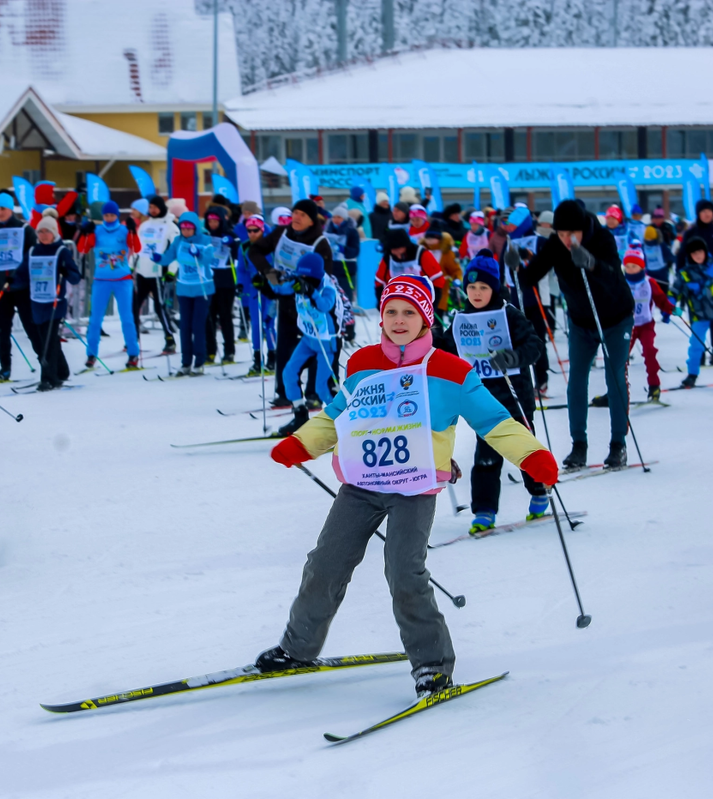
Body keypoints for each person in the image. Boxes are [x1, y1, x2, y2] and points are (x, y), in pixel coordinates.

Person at [260, 275, 559, 696]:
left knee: (404, 571)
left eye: (409, 312)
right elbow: (335, 415)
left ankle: (433, 666)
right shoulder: (362, 364)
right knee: (325, 563)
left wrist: (532, 457)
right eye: (391, 312)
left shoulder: (451, 371)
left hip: (414, 486)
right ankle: (297, 648)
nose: (399, 320)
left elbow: (495, 422)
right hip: (362, 485)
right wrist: (301, 443)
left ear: (426, 319)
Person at [520, 199, 634, 471]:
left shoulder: (603, 238)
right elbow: (531, 277)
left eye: (571, 234)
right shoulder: (556, 244)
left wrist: (592, 263)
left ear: (583, 229)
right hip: (581, 322)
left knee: (615, 376)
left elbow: (613, 278)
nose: (566, 240)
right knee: (576, 381)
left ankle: (618, 444)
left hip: (616, 318)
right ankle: (578, 445)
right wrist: (518, 269)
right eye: (560, 234)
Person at [438, 256, 547, 532]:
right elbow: (449, 348)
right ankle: (484, 511)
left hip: (515, 396)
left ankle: (539, 490)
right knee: (486, 454)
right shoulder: (462, 319)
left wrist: (512, 357)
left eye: (483, 288)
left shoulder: (508, 314)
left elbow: (534, 345)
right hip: (482, 399)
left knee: (523, 448)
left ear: (494, 289)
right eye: (472, 288)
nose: (476, 293)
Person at [248, 200, 334, 406]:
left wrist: (306, 288)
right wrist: (269, 274)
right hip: (285, 299)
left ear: (312, 220)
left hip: (308, 304)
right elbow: (254, 251)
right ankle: (285, 393)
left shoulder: (320, 243)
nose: (296, 217)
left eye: (302, 215)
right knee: (285, 347)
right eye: (295, 212)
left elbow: (326, 277)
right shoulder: (281, 233)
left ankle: (314, 394)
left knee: (313, 346)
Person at [269, 252, 338, 436]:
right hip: (308, 338)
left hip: (325, 340)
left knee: (322, 388)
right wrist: (267, 282)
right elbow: (280, 290)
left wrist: (310, 290)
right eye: (302, 276)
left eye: (308, 277)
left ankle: (342, 422)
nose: (304, 279)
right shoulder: (299, 283)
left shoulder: (327, 287)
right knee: (289, 373)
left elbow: (324, 305)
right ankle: (300, 416)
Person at [0, 192, 41, 383]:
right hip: (0, 288)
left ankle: (45, 363)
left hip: (22, 287)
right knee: (2, 329)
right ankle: (5, 367)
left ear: (11, 209)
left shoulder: (25, 229)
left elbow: (33, 255)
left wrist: (22, 274)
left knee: (31, 327)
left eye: (3, 209)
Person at [78, 200, 140, 371]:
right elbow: (82, 249)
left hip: (123, 279)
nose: (110, 218)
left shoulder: (123, 229)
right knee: (95, 319)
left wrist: (134, 231)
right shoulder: (97, 231)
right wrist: (84, 233)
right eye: (106, 215)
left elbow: (136, 247)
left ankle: (133, 353)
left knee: (127, 318)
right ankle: (91, 354)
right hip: (101, 280)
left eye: (112, 215)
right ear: (103, 216)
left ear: (117, 215)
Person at [25, 217, 81, 391]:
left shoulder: (61, 251)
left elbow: (75, 275)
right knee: (46, 341)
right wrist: (13, 281)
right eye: (40, 231)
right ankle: (62, 371)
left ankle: (48, 378)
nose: (43, 235)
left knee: (49, 340)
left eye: (47, 231)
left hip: (55, 303)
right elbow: (22, 271)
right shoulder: (33, 250)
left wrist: (66, 271)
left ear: (54, 233)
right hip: (37, 303)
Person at [674, 237, 713, 388]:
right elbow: (675, 291)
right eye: (694, 253)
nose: (698, 255)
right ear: (690, 255)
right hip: (699, 313)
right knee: (696, 344)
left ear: (705, 251)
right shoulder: (685, 273)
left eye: (700, 251)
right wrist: (669, 305)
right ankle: (692, 374)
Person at [623, 247, 676, 402]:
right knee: (621, 357)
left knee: (649, 352)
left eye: (634, 266)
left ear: (642, 267)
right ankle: (616, 389)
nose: (631, 269)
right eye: (628, 266)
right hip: (627, 326)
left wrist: (671, 309)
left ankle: (654, 386)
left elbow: (661, 300)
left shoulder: (649, 283)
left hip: (646, 324)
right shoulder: (621, 282)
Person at [171, 211, 216, 376]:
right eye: (183, 228)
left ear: (196, 228)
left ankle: (199, 361)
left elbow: (208, 260)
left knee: (197, 326)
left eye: (189, 228)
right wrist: (156, 258)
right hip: (184, 288)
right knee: (185, 327)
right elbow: (168, 257)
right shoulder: (178, 241)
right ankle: (185, 362)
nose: (186, 231)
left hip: (202, 289)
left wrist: (199, 253)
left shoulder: (205, 240)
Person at [133, 194, 178, 356]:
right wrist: (132, 265)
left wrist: (172, 270)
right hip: (142, 271)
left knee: (160, 307)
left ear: (161, 208)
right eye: (150, 207)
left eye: (155, 207)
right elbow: (137, 246)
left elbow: (175, 250)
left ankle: (169, 339)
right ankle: (132, 339)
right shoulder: (145, 226)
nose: (152, 210)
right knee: (134, 306)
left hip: (159, 272)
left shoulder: (171, 226)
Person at [236, 215, 276, 377]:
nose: (252, 234)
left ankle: (273, 356)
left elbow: (277, 266)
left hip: (271, 288)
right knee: (256, 324)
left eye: (255, 230)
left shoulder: (270, 246)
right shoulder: (244, 246)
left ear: (262, 230)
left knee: (269, 323)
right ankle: (257, 357)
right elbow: (242, 269)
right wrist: (240, 284)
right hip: (254, 289)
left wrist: (269, 281)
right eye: (249, 231)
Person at [203, 205, 239, 366]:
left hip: (225, 282)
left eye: (215, 220)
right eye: (209, 221)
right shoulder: (204, 235)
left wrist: (232, 243)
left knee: (225, 317)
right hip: (208, 281)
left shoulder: (229, 234)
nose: (212, 224)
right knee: (209, 317)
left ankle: (229, 351)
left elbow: (239, 251)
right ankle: (210, 350)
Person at [374, 227, 444, 303]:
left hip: (421, 300)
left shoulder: (422, 255)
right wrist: (381, 302)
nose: (397, 254)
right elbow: (379, 282)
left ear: (405, 245)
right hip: (397, 301)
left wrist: (432, 304)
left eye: (398, 249)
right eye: (393, 250)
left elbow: (437, 280)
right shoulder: (388, 258)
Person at [421, 223, 462, 316]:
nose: (429, 241)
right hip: (425, 288)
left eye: (432, 238)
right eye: (427, 238)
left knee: (437, 313)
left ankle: (438, 330)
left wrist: (457, 279)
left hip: (443, 288)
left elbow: (455, 269)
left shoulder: (446, 252)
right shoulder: (422, 251)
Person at [324, 204, 360, 303]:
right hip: (331, 269)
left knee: (345, 299)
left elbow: (355, 251)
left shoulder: (352, 232)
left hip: (346, 271)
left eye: (339, 217)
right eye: (334, 217)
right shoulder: (327, 231)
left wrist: (342, 249)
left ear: (344, 218)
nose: (335, 219)